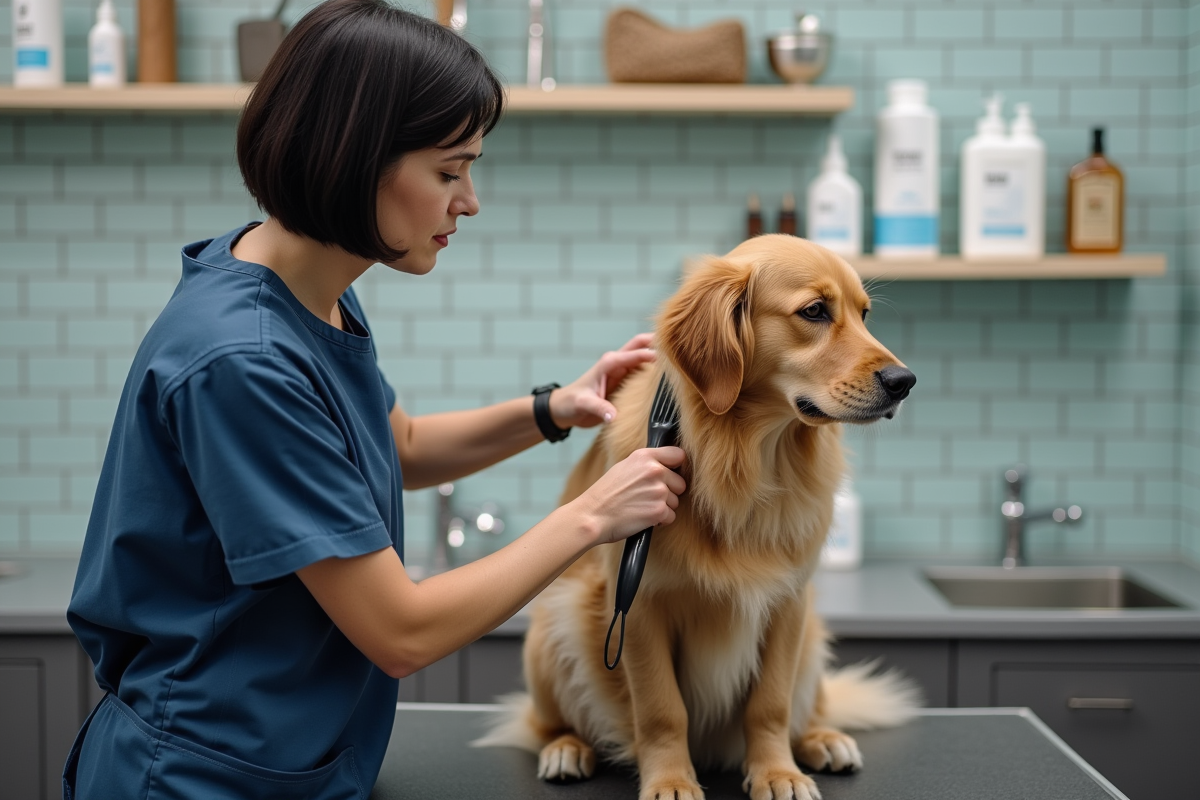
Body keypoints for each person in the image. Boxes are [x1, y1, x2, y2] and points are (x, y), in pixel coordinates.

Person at [62, 2, 686, 797]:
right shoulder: (244, 361)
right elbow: (402, 631)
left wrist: (553, 409)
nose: (469, 201)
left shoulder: (302, 287)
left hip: (285, 762)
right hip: (200, 773)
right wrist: (594, 515)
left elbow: (403, 446)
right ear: (357, 157)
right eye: (449, 171)